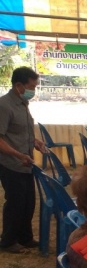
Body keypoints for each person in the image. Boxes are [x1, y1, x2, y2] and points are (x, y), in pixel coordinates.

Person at [0, 67, 48, 253]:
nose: (33, 91)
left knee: (28, 202)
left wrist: (35, 142)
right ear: (19, 85)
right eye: (32, 87)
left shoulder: (23, 104)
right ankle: (8, 240)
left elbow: (20, 132)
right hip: (11, 164)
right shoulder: (5, 106)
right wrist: (19, 155)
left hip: (26, 163)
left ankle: (25, 237)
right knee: (15, 202)